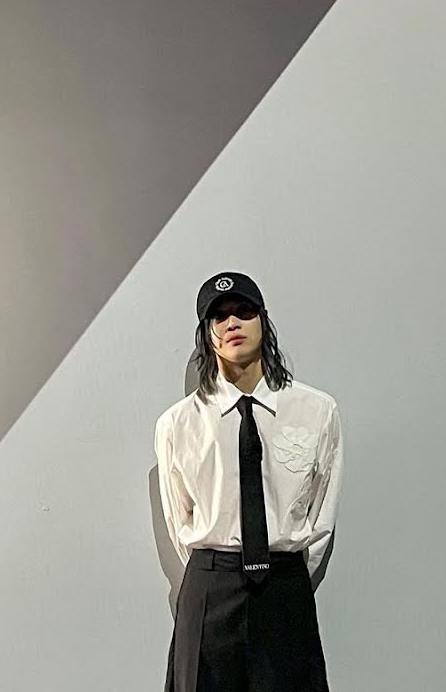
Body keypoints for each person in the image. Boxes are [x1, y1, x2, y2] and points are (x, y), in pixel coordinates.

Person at [155, 271, 343, 692]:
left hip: (284, 589)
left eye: (243, 311)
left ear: (263, 320)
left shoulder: (316, 411)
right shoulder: (178, 424)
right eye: (219, 317)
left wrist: (285, 573)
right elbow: (178, 519)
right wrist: (217, 570)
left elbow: (321, 517)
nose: (232, 323)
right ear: (207, 334)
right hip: (211, 588)